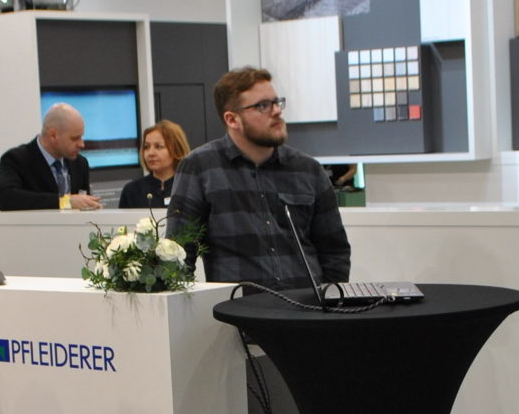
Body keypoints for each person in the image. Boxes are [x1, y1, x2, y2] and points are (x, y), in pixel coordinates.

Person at [167, 67, 350, 288]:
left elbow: (335, 252)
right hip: (238, 307)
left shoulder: (308, 170)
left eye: (276, 102)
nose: (276, 111)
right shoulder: (200, 168)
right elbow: (178, 255)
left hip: (305, 305)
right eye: (262, 106)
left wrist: (328, 302)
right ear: (232, 119)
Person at [0, 104, 101, 211]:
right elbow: (6, 198)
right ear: (53, 135)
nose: (82, 144)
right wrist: (65, 202)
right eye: (75, 138)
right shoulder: (17, 159)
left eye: (81, 137)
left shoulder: (80, 163)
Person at [119, 120, 190, 209]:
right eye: (146, 147)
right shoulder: (132, 191)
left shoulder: (189, 187)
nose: (150, 153)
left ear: (176, 149)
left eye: (159, 147)